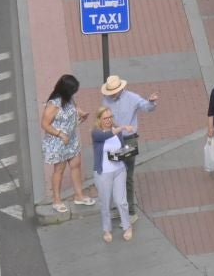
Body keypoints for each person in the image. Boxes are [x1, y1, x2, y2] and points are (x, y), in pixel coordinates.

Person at [100, 76, 157, 216]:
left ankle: (130, 211)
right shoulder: (106, 100)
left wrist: (151, 102)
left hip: (128, 141)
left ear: (120, 89)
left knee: (127, 177)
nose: (111, 94)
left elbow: (146, 107)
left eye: (113, 91)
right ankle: (118, 207)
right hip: (113, 140)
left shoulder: (132, 97)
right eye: (110, 91)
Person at [40, 74, 96, 214]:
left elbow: (74, 107)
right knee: (59, 170)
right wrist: (59, 134)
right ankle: (57, 200)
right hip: (58, 142)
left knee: (76, 165)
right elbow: (44, 124)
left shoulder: (68, 98)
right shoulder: (53, 105)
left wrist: (81, 113)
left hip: (71, 139)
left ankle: (79, 195)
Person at [89, 107, 133, 241]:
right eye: (105, 118)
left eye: (110, 117)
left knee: (121, 201)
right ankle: (106, 229)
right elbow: (106, 135)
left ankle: (127, 226)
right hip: (103, 173)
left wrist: (125, 152)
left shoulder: (117, 131)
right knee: (105, 202)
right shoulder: (96, 133)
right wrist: (122, 128)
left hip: (119, 169)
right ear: (99, 120)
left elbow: (121, 146)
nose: (108, 120)